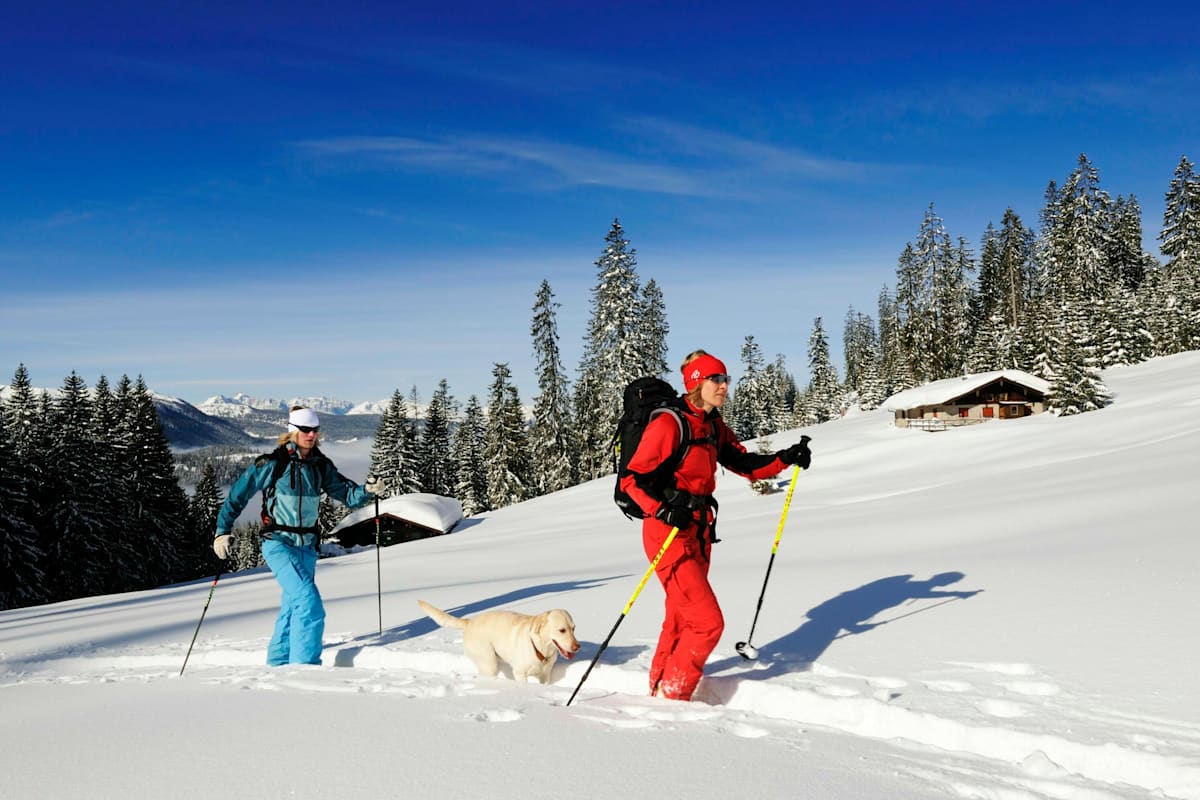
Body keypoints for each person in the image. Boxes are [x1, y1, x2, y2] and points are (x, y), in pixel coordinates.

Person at [619, 350, 812, 701]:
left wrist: (785, 458)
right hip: (667, 534)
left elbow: (745, 463)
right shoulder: (669, 423)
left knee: (680, 616)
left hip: (699, 531)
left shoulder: (712, 424)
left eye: (725, 379)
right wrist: (662, 511)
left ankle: (659, 686)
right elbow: (633, 480)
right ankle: (673, 697)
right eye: (716, 379)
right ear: (696, 383)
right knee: (708, 623)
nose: (724, 386)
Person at [213, 406, 384, 666]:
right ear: (293, 431)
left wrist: (368, 490)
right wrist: (222, 532)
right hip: (278, 543)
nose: (311, 434)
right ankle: (306, 670)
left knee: (294, 605)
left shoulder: (320, 465)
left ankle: (278, 665)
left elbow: (347, 494)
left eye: (315, 430)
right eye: (305, 429)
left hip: (306, 547)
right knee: (309, 602)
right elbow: (237, 496)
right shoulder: (272, 464)